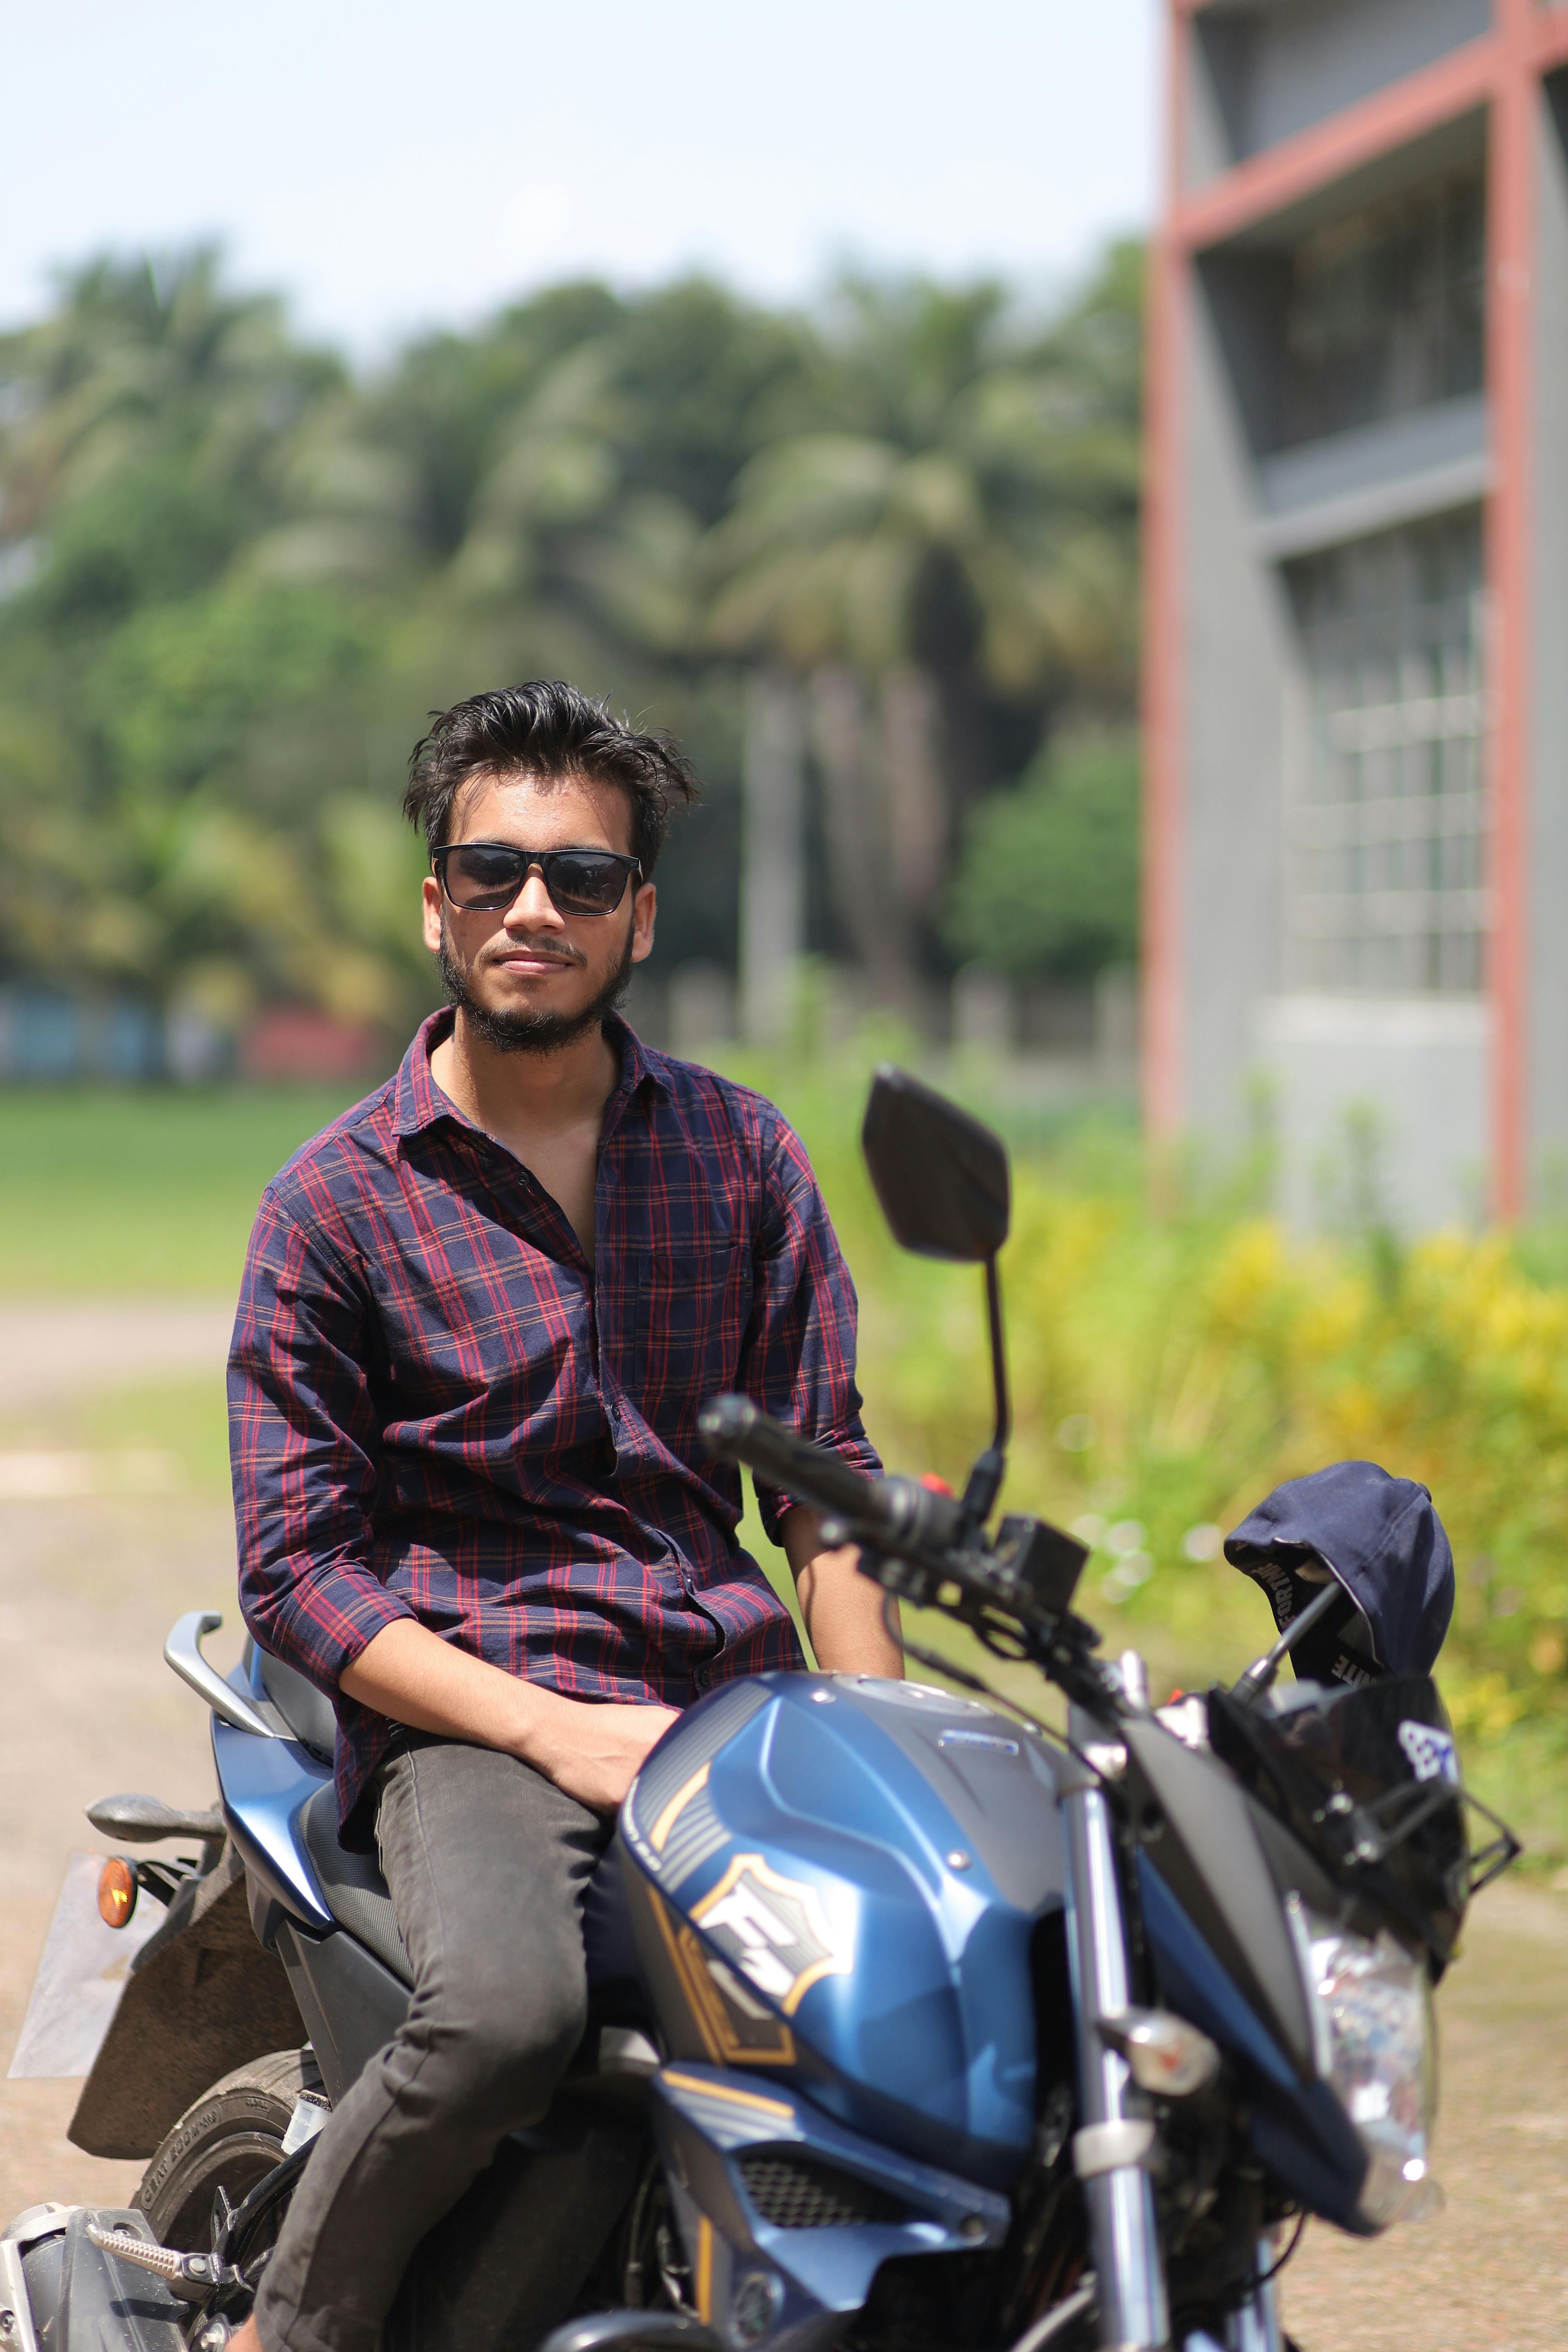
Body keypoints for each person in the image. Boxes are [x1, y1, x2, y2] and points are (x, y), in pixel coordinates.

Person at [225, 681, 900, 2352]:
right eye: (494, 871)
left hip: (726, 1698)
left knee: (931, 1987)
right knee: (512, 2020)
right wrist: (557, 1733)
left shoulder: (741, 1155)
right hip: (475, 1709)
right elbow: (299, 1573)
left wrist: (875, 1732)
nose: (535, 908)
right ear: (437, 903)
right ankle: (282, 2333)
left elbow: (823, 1484)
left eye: (581, 877)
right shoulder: (335, 1203)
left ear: (639, 915)